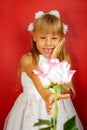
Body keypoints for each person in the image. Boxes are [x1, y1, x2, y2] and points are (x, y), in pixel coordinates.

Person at [3, 10, 83, 130]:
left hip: (58, 109)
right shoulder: (28, 59)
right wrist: (47, 96)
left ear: (61, 38)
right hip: (32, 109)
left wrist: (54, 59)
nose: (48, 43)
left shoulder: (63, 60)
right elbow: (39, 83)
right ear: (34, 36)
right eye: (42, 37)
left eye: (54, 38)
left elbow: (62, 87)